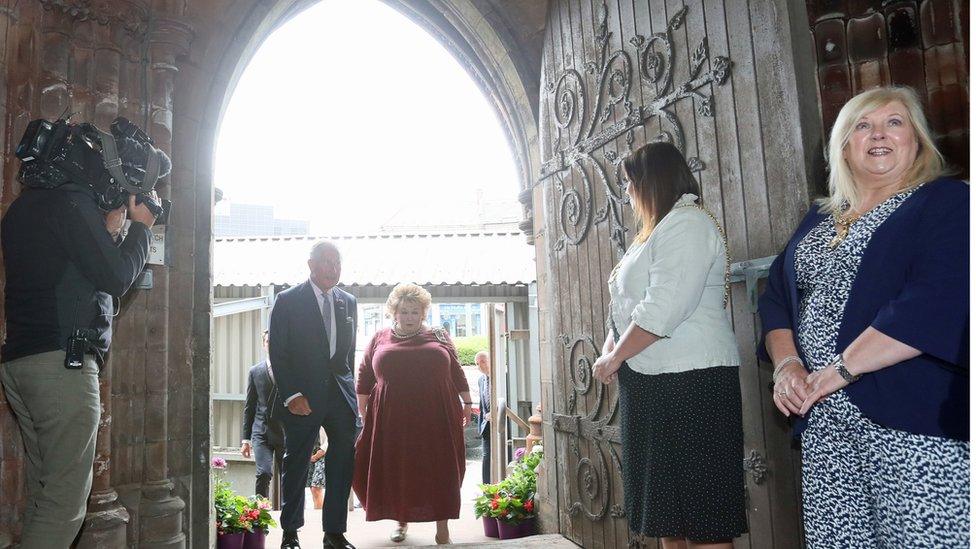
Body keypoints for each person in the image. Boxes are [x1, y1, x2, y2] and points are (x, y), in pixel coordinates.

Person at [757, 86, 969, 547]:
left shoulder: (947, 202)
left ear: (917, 140)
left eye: (895, 122)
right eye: (863, 125)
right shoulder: (819, 217)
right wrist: (789, 365)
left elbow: (938, 298)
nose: (879, 134)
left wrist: (841, 369)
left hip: (909, 417)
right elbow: (776, 296)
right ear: (843, 146)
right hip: (828, 424)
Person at [0, 135, 162, 546]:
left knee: (45, 493)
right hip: (61, 366)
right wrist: (141, 228)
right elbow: (116, 277)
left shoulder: (24, 209)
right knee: (64, 507)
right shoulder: (72, 205)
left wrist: (106, 231)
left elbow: (68, 275)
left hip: (22, 361)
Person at [591, 141, 747, 549]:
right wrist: (611, 351)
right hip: (650, 383)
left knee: (704, 516)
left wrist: (615, 357)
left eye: (629, 182)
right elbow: (626, 307)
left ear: (651, 181)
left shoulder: (688, 224)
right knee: (666, 515)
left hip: (690, 383)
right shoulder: (653, 233)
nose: (626, 192)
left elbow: (663, 308)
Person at [353, 283, 473, 545]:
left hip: (437, 414)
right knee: (401, 467)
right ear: (394, 313)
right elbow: (364, 375)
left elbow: (456, 371)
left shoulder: (439, 335)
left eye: (414, 312)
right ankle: (401, 520)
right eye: (404, 312)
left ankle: (443, 528)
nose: (409, 317)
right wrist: (362, 409)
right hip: (392, 417)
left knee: (441, 468)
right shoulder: (380, 338)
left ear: (423, 313)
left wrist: (467, 403)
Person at [269, 240, 359, 549]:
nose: (333, 269)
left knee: (342, 464)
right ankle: (291, 533)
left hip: (340, 398)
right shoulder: (288, 300)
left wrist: (353, 398)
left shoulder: (348, 301)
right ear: (311, 264)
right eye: (326, 262)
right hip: (302, 397)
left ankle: (334, 533)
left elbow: (347, 357)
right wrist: (292, 394)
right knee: (296, 465)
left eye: (337, 263)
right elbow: (278, 354)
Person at [241, 330, 285, 499]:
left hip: (284, 432)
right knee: (264, 473)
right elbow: (249, 407)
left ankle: (289, 517)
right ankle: (260, 514)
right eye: (268, 341)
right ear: (263, 344)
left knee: (288, 476)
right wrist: (246, 440)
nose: (271, 344)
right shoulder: (255, 371)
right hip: (262, 432)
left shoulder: (290, 370)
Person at [474, 350, 492, 484]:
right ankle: (486, 488)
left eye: (483, 361)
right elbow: (482, 404)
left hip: (501, 422)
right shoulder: (481, 380)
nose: (481, 366)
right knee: (486, 457)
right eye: (477, 364)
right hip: (486, 425)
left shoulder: (502, 377)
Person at [306, 429, 327, 510]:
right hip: (310, 452)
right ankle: (318, 511)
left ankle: (319, 515)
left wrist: (322, 451)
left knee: (316, 487)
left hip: (323, 452)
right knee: (313, 488)